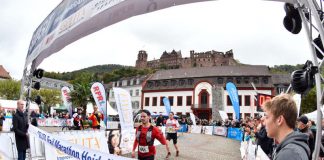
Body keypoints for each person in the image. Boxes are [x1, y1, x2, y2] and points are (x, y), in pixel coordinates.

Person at [263, 94, 310, 160]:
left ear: (279, 120)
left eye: (267, 117)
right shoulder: (293, 150)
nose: (264, 123)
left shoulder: (289, 154)